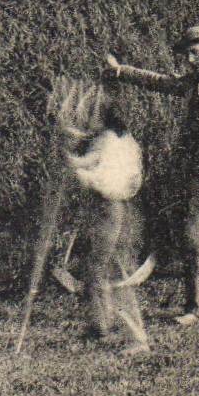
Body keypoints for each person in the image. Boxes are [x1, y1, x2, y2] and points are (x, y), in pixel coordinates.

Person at [105, 26, 199, 327]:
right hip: (197, 178)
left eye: (197, 53)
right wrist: (121, 71)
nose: (192, 59)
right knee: (194, 241)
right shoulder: (190, 82)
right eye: (188, 54)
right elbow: (158, 81)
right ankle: (195, 309)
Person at [63, 101, 150, 354]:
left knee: (111, 270)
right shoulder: (119, 140)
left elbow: (101, 178)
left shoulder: (109, 142)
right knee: (96, 268)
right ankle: (100, 327)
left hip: (109, 207)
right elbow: (87, 160)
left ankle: (135, 339)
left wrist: (71, 165)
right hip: (115, 208)